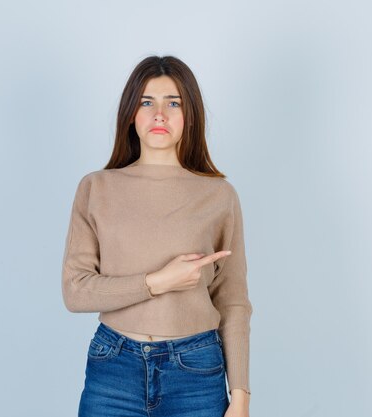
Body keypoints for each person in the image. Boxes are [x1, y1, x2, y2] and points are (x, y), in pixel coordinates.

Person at [61, 55, 252, 417]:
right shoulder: (96, 188)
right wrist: (158, 281)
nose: (159, 114)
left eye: (173, 103)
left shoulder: (219, 195)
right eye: (147, 102)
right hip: (114, 368)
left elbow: (233, 301)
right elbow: (75, 291)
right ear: (131, 113)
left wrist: (240, 395)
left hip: (196, 372)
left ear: (190, 115)